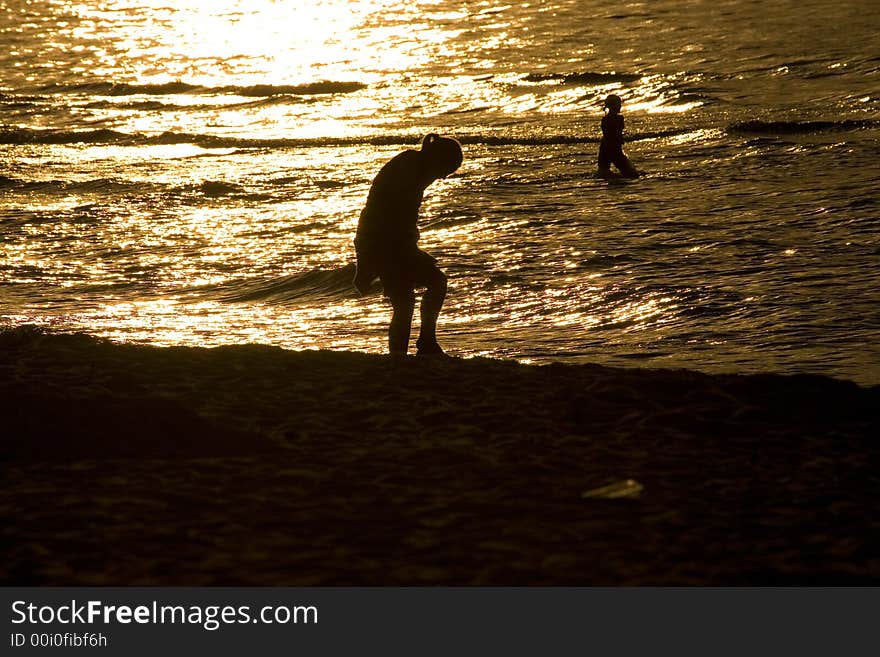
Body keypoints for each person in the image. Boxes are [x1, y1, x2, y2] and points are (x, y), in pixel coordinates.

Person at [353, 133, 463, 356]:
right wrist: (365, 261)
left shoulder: (414, 167)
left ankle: (415, 348)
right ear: (438, 160)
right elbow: (383, 217)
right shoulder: (409, 171)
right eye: (445, 171)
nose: (442, 178)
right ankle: (412, 350)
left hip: (390, 242)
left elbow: (401, 219)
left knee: (410, 297)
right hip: (383, 242)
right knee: (413, 295)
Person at [598, 94, 639, 178]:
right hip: (614, 148)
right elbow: (616, 134)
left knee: (603, 172)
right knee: (632, 174)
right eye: (619, 104)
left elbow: (607, 134)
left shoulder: (605, 119)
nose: (620, 106)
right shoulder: (619, 119)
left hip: (604, 146)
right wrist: (620, 139)